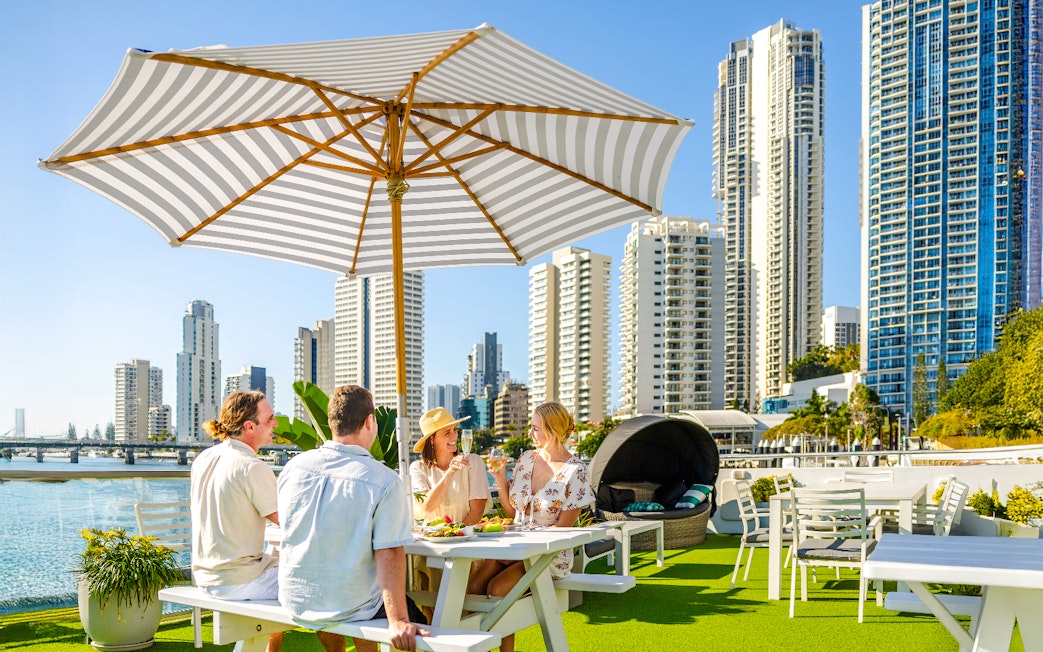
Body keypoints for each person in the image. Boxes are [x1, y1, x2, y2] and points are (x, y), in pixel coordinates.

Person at [278, 385, 429, 652]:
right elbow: (390, 552)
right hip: (350, 604)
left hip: (296, 600)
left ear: (331, 423)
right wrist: (399, 620)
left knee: (351, 587)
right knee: (419, 619)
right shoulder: (383, 480)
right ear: (370, 421)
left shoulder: (293, 468)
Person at [466, 402, 592, 652]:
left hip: (547, 555)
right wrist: (500, 480)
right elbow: (514, 513)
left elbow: (563, 531)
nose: (530, 434)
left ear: (553, 430)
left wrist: (525, 548)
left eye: (535, 429)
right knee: (472, 587)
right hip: (514, 545)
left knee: (497, 589)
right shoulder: (526, 460)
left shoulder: (576, 471)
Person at [190, 391, 283, 652]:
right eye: (270, 419)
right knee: (321, 578)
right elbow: (290, 524)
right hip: (238, 580)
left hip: (206, 577)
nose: (275, 424)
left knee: (281, 566)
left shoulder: (204, 459)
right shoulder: (252, 466)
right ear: (249, 426)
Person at [410, 407, 490, 526]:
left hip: (467, 538)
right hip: (433, 539)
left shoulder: (473, 462)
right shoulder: (418, 467)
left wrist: (456, 534)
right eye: (447, 432)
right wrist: (450, 472)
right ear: (432, 440)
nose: (454, 436)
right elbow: (427, 506)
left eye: (455, 430)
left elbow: (477, 510)